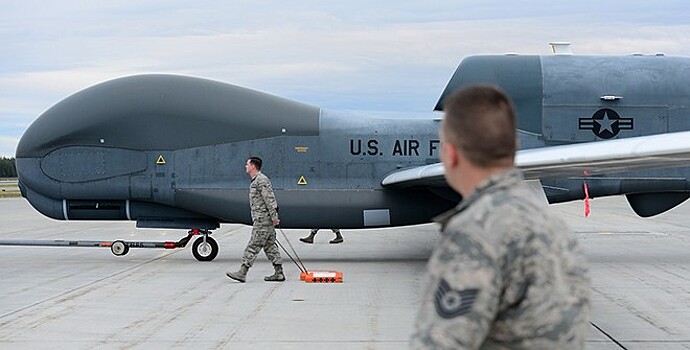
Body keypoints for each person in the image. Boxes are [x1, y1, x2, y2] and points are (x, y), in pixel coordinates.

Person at [411, 86, 590, 349]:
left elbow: (441, 343)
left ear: (450, 154)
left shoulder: (474, 234)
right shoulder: (554, 227)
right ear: (514, 147)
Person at [226, 157, 285, 283]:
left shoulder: (261, 180)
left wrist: (274, 217)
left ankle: (242, 272)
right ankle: (279, 272)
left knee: (253, 245)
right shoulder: (256, 181)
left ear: (253, 166)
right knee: (270, 246)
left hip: (263, 220)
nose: (245, 166)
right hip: (263, 219)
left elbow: (269, 199)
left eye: (247, 164)